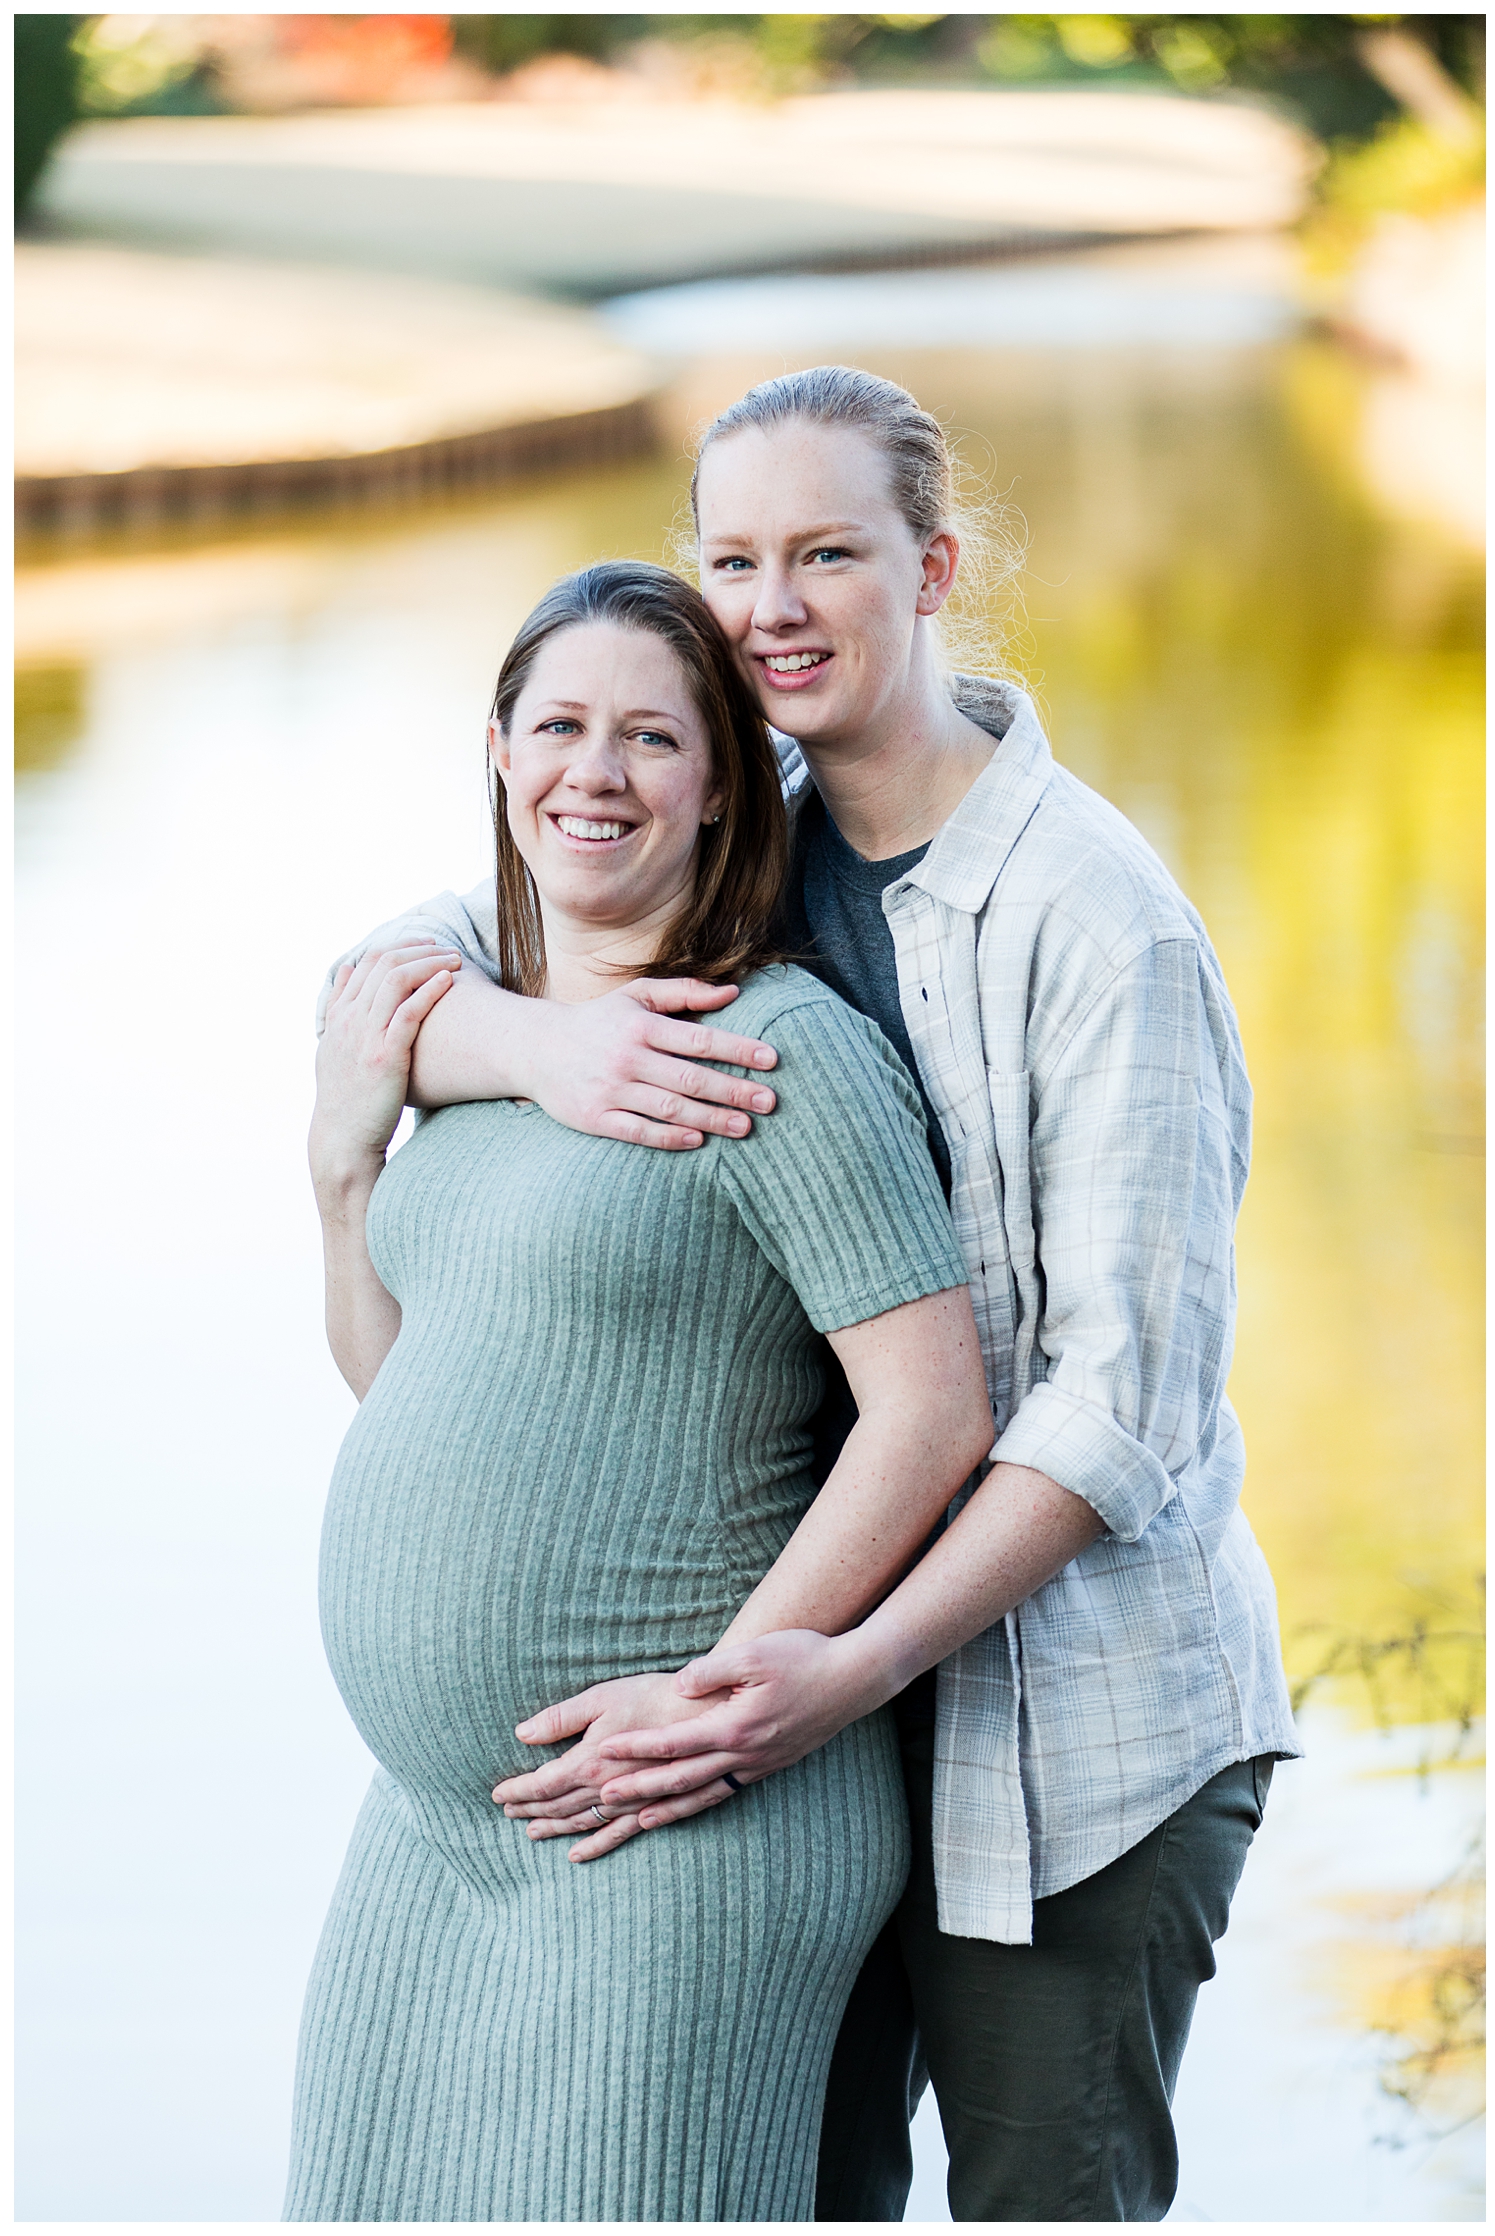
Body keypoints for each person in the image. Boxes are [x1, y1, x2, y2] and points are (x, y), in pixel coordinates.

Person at [332, 368, 1302, 2224]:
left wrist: (821, 1674)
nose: (774, 604)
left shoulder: (1104, 926)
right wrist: (538, 1047)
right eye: (737, 559)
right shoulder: (726, 817)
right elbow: (383, 978)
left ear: (933, 569)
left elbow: (1124, 1415)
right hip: (798, 1752)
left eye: (829, 554)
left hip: (1060, 1736)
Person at [292, 558, 996, 2223]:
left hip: (670, 1836)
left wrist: (733, 1695)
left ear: (721, 787)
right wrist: (339, 1181)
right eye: (559, 726)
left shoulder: (771, 1051)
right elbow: (406, 1382)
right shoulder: (478, 1036)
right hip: (437, 1828)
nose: (592, 774)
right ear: (496, 749)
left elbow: (935, 1409)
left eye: (650, 740)